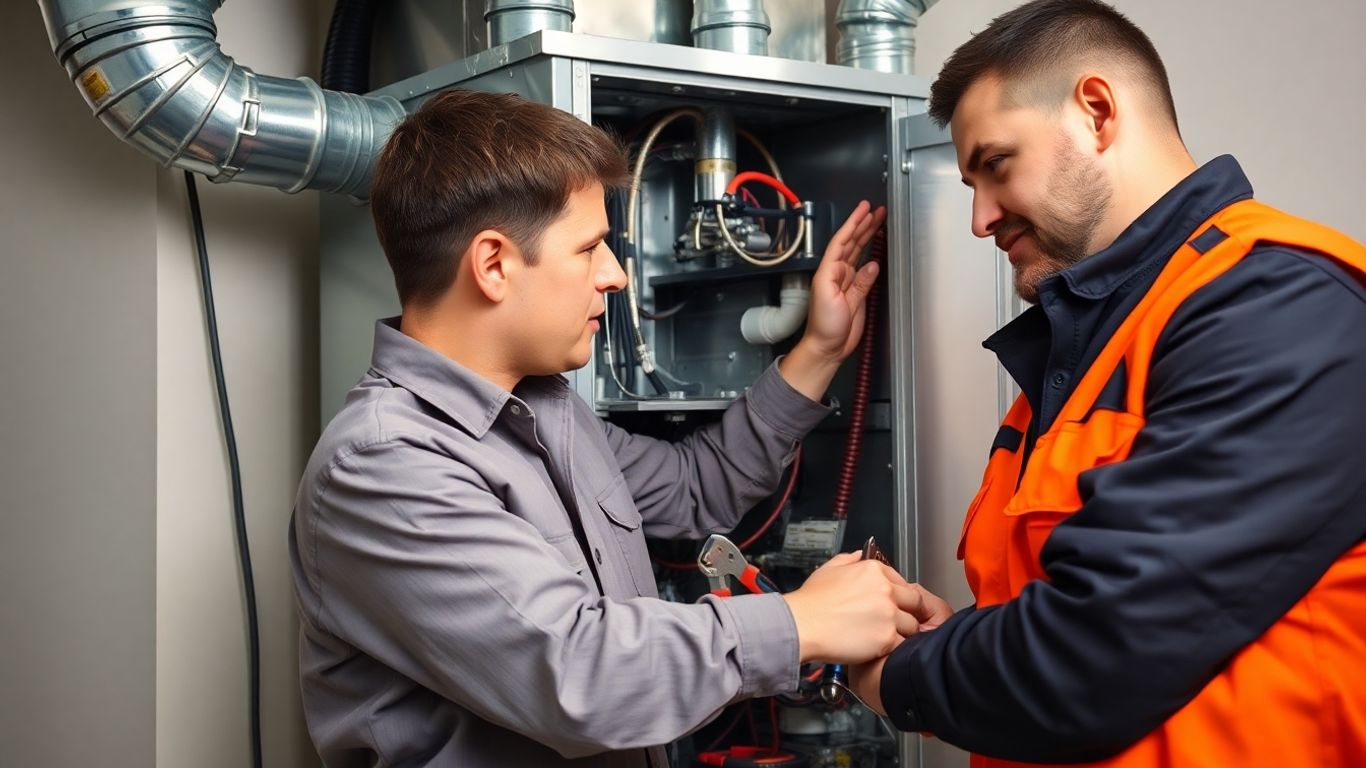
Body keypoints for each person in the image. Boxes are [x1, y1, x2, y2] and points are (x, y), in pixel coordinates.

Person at [289, 88, 926, 767]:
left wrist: (819, 351)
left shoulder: (550, 413)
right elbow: (580, 675)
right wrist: (801, 622)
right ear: (494, 263)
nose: (616, 275)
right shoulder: (385, 464)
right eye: (590, 247)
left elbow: (694, 489)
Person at [850, 0, 1366, 766]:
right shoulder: (1085, 357)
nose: (980, 218)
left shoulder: (1277, 304)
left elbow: (1096, 654)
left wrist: (894, 674)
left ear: (1096, 112)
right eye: (968, 184)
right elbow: (1063, 602)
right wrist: (952, 635)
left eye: (996, 165)